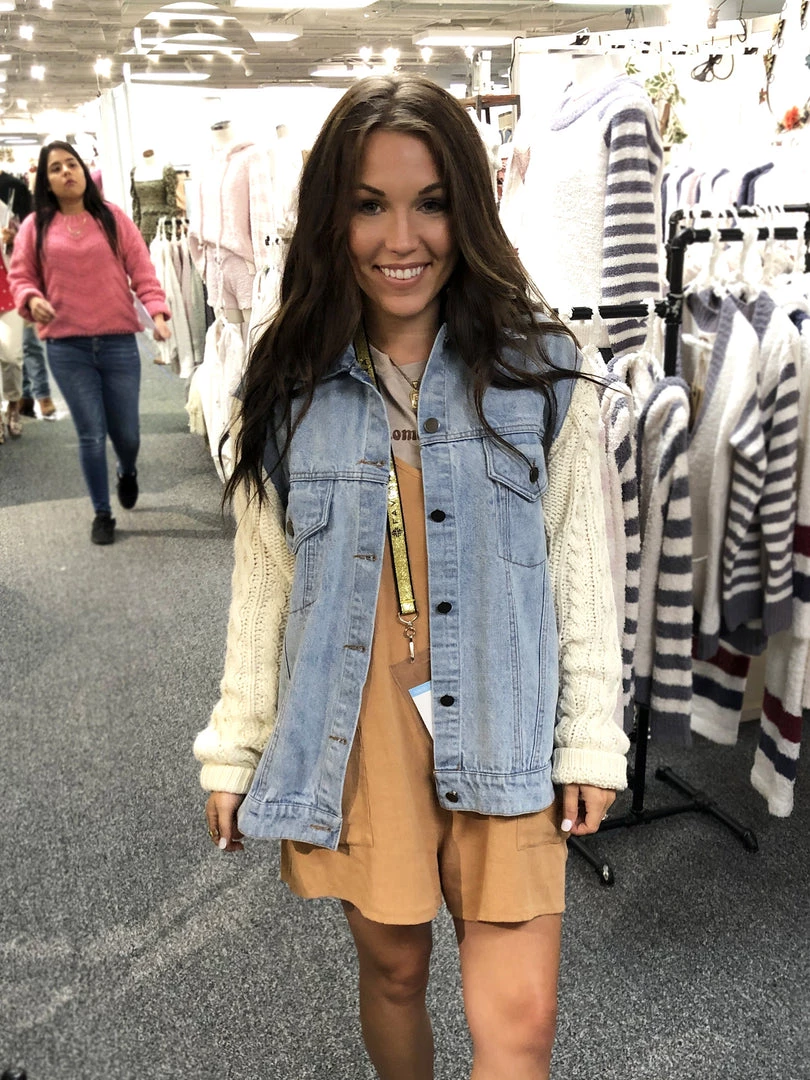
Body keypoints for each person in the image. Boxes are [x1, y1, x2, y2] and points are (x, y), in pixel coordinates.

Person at [194, 75, 630, 1080]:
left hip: (507, 719)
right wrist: (235, 742)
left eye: (430, 202)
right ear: (330, 219)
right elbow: (265, 580)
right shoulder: (286, 384)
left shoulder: (543, 369)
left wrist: (591, 733)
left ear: (467, 208)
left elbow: (581, 567)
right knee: (393, 973)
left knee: (521, 1022)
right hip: (358, 728)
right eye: (369, 204)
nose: (403, 238)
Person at [8, 141, 171, 545]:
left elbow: (142, 270)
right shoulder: (35, 226)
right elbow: (21, 276)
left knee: (127, 433)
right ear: (46, 181)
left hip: (118, 343)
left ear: (84, 170)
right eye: (56, 168)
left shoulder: (112, 218)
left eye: (72, 164)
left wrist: (157, 313)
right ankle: (102, 512)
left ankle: (126, 470)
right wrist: (31, 298)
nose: (66, 172)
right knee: (91, 434)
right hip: (67, 347)